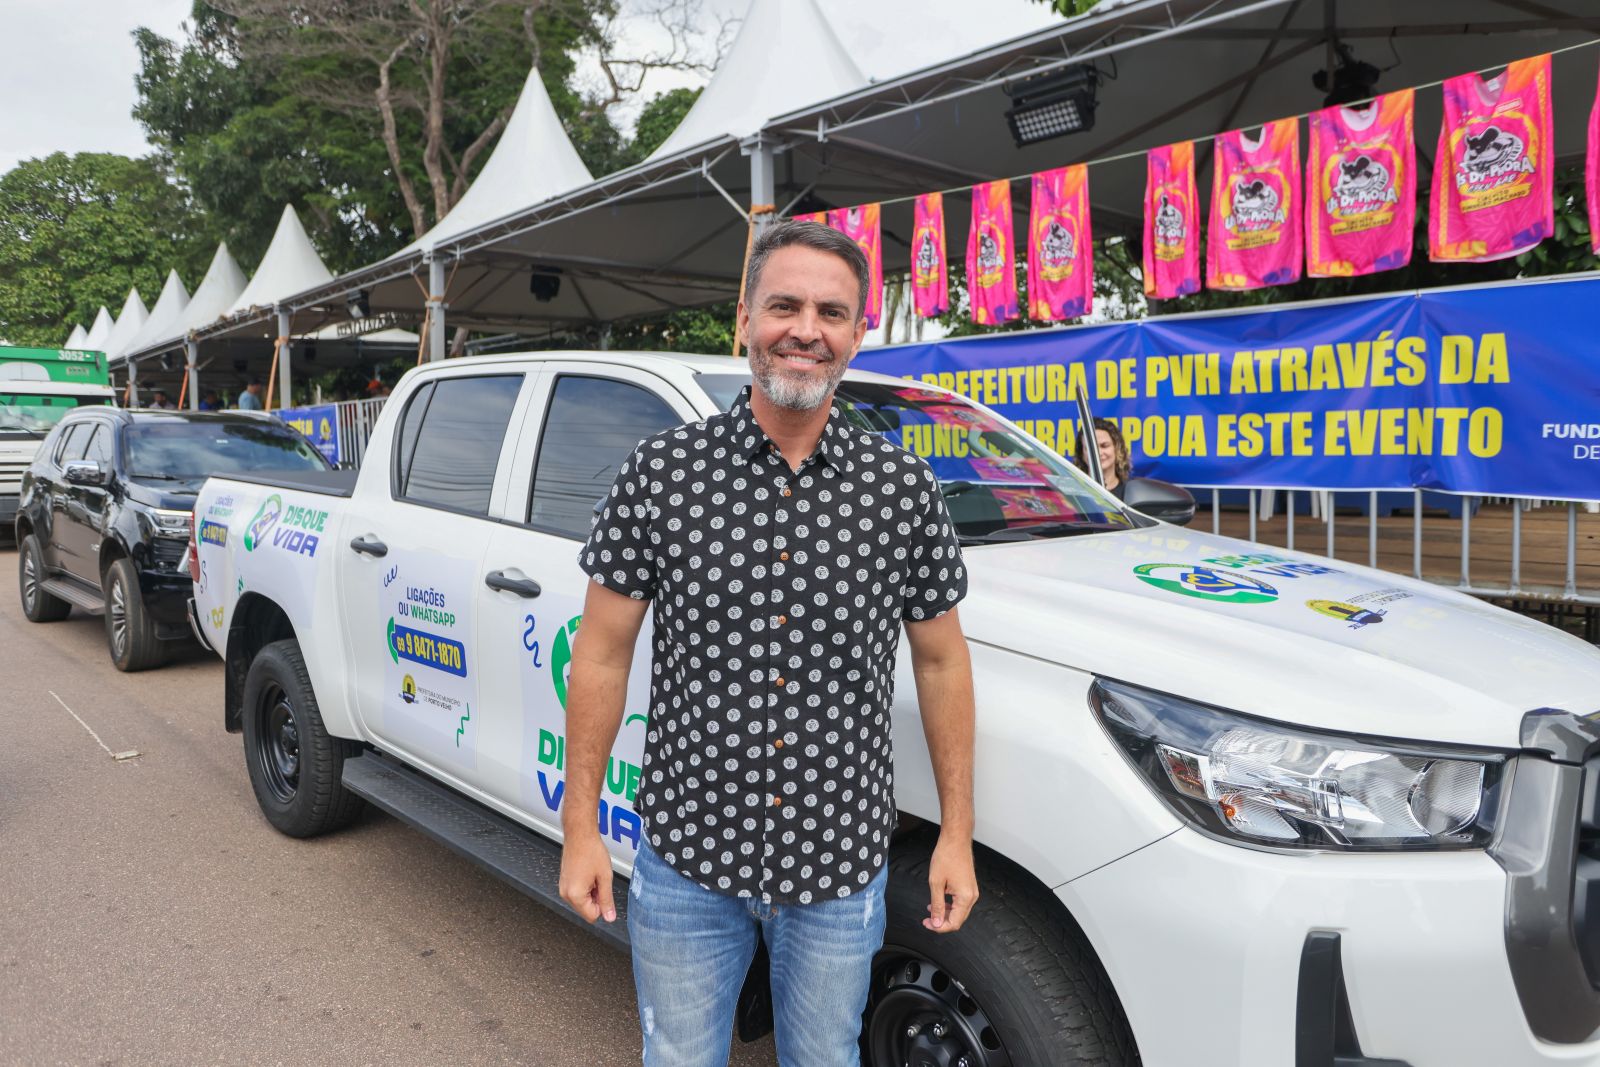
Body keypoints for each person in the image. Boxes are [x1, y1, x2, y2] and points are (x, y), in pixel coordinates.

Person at [558, 220, 979, 1067]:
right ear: (744, 319)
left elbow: (941, 660)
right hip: (687, 860)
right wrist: (579, 824)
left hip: (839, 865)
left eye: (832, 311)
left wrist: (957, 832)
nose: (806, 328)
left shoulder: (901, 489)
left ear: (859, 334)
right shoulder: (663, 471)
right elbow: (601, 653)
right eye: (784, 304)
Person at [1085, 417, 1132, 500]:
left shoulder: (1130, 492)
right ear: (1081, 453)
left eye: (1104, 446)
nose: (1098, 453)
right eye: (1091, 448)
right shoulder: (1072, 494)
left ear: (1117, 449)